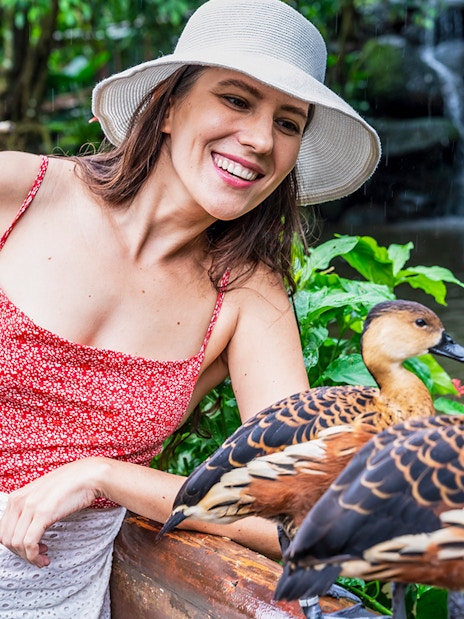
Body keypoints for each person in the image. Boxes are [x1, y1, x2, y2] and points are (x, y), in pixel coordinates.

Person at [0, 0, 380, 616]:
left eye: (289, 123)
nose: (260, 139)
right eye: (236, 99)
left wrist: (106, 476)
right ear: (169, 105)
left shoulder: (247, 298)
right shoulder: (19, 195)